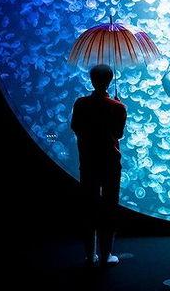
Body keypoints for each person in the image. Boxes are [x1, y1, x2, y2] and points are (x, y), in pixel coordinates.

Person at [71, 64, 127, 266]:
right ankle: (106, 255)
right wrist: (117, 107)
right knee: (109, 206)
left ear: (92, 80)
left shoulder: (80, 103)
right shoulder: (118, 107)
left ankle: (89, 254)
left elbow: (75, 128)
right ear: (110, 81)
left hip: (88, 160)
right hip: (110, 161)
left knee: (89, 206)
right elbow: (118, 134)